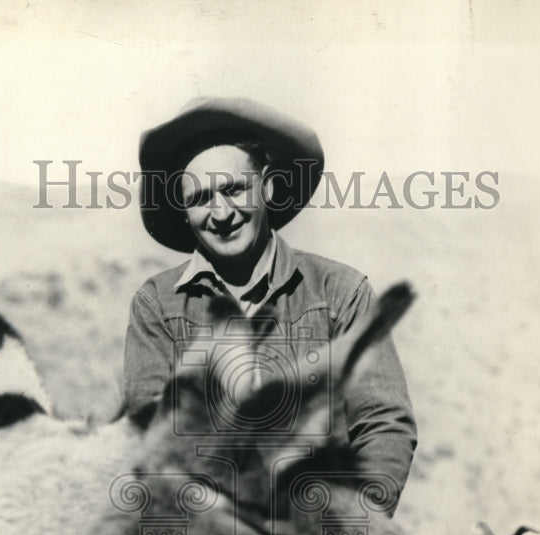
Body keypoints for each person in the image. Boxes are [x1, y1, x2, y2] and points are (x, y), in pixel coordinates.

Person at [123, 97, 417, 513]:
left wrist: (355, 524)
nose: (221, 212)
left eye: (233, 189)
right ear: (183, 211)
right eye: (201, 198)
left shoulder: (340, 292)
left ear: (269, 187)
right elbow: (151, 440)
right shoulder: (157, 305)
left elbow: (384, 425)